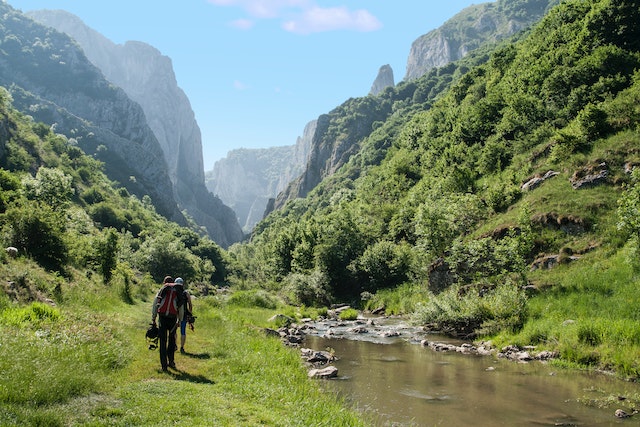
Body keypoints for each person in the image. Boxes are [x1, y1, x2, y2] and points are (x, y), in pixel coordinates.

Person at [151, 275, 184, 372]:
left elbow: (155, 304)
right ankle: (171, 362)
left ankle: (164, 366)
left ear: (164, 283)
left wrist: (153, 318)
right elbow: (181, 307)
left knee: (163, 341)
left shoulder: (162, 290)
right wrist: (180, 320)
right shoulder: (177, 291)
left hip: (162, 317)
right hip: (173, 318)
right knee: (172, 340)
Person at [176, 277, 193, 354]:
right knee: (183, 331)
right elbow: (190, 304)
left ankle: (174, 345)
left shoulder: (174, 292)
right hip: (184, 315)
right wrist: (190, 313)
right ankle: (182, 347)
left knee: (174, 331)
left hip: (175, 315)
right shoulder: (186, 293)